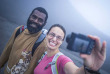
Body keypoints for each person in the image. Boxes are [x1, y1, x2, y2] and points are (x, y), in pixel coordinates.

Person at [34, 24, 106, 74]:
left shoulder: (61, 59)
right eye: (52, 34)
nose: (54, 39)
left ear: (62, 42)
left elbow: (75, 72)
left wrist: (90, 69)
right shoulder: (45, 54)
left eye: (59, 37)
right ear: (47, 35)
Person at [0, 7, 48, 74]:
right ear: (29, 16)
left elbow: (31, 69)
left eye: (40, 20)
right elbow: (7, 50)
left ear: (44, 24)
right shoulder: (19, 30)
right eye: (34, 17)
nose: (35, 21)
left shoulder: (42, 44)